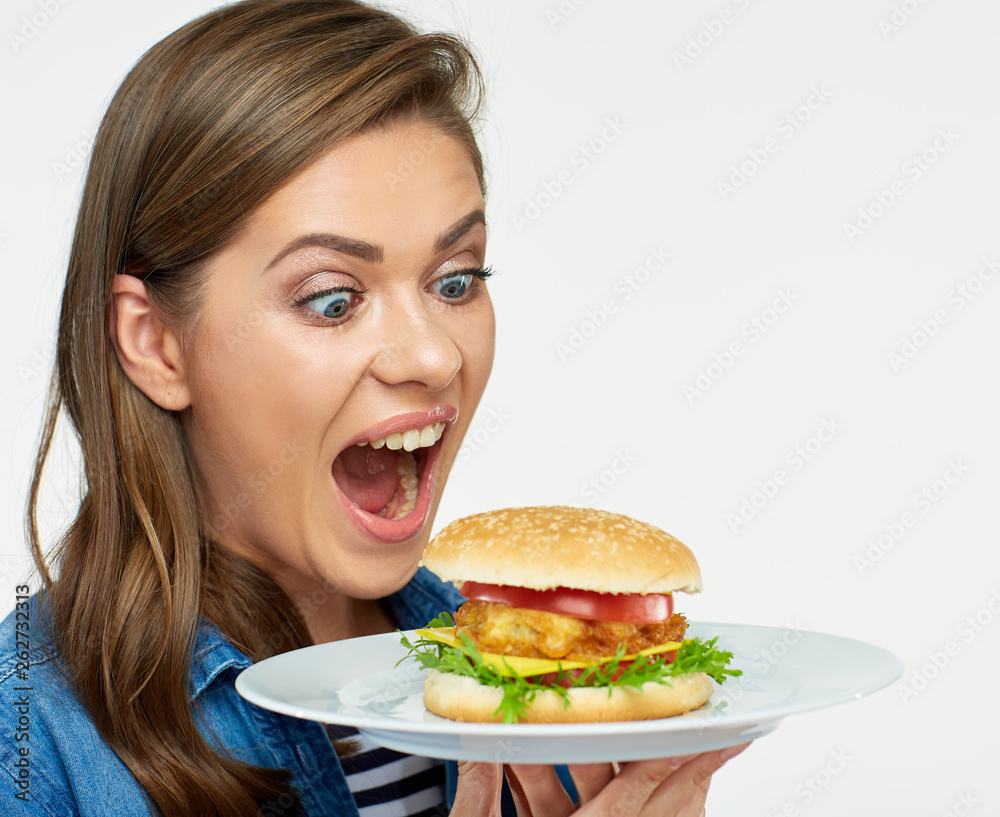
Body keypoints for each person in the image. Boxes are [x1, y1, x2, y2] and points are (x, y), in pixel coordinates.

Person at [0, 1, 748, 814]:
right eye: (331, 300)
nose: (434, 355)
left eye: (456, 281)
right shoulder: (29, 741)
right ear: (155, 344)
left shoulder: (542, 673)